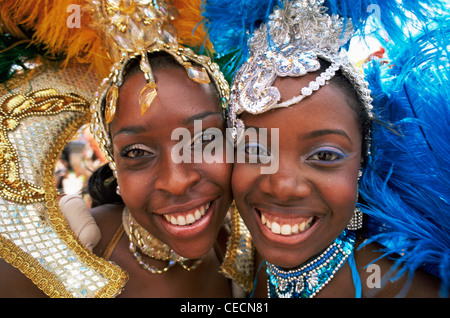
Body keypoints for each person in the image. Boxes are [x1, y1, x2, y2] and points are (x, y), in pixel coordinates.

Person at [0, 0, 254, 298]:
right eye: (136, 153)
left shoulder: (246, 245)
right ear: (113, 161)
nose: (176, 181)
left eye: (204, 141)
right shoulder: (53, 266)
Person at [202, 0, 449, 298]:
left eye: (324, 156)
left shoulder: (405, 290)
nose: (282, 187)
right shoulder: (244, 254)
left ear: (362, 163)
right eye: (255, 152)